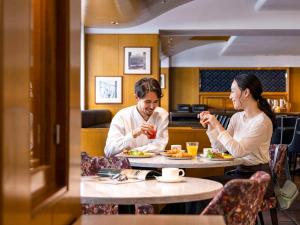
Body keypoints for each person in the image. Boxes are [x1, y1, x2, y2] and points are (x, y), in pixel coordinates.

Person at [104, 77, 169, 157]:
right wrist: (133, 134)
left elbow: (159, 146)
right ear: (137, 98)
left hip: (154, 166)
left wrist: (132, 152)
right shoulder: (122, 116)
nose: (152, 107)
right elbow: (109, 151)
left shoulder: (162, 115)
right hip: (126, 166)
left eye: (155, 102)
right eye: (147, 102)